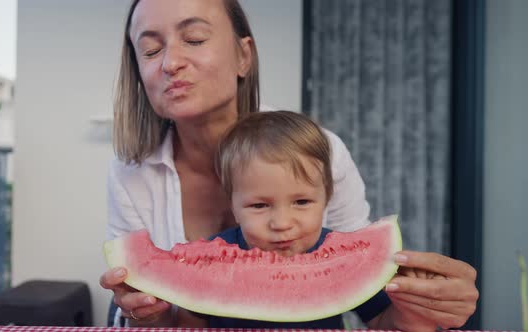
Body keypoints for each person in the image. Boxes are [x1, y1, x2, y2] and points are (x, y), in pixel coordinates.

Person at [99, 0, 479, 329]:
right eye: (150, 51)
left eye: (194, 39)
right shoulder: (130, 171)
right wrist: (147, 313)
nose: (171, 62)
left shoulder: (319, 151)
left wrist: (424, 309)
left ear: (243, 56)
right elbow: (163, 313)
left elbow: (370, 298)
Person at [173, 110, 429, 330]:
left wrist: (413, 312)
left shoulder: (345, 258)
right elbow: (188, 324)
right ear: (234, 206)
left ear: (327, 198)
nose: (282, 223)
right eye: (260, 205)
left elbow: (383, 321)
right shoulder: (212, 257)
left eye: (302, 202)